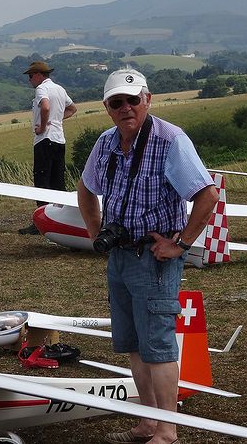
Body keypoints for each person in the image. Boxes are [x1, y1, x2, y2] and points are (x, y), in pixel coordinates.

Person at [76, 68, 218, 444]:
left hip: (153, 258)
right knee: (134, 343)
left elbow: (207, 195)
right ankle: (147, 423)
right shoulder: (106, 142)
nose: (125, 108)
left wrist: (181, 244)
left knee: (157, 346)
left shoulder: (170, 140)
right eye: (116, 103)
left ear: (147, 99)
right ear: (108, 108)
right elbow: (86, 189)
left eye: (132, 100)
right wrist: (96, 236)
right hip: (119, 256)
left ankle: (167, 431)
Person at [18, 61, 77, 235]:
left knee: (42, 179)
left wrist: (43, 126)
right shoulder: (59, 89)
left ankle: (41, 222)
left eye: (30, 76)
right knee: (57, 179)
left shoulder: (41, 89)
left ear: (38, 75)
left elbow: (45, 106)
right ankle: (61, 218)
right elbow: (73, 109)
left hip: (45, 139)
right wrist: (57, 120)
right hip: (59, 139)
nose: (30, 80)